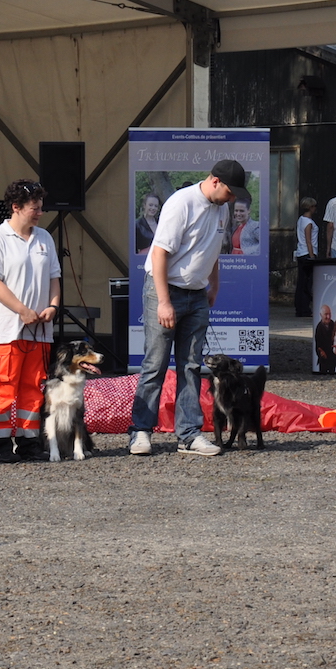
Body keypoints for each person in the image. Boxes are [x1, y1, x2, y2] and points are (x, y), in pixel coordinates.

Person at [130, 158, 246, 457]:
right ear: (215, 181)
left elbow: (212, 250)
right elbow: (159, 253)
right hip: (165, 288)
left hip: (197, 294)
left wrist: (214, 286)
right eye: (230, 192)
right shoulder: (181, 203)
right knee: (155, 363)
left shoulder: (221, 209)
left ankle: (189, 434)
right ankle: (141, 431)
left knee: (191, 365)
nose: (231, 199)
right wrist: (164, 301)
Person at [0, 179, 62, 463]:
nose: (40, 213)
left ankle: (29, 442)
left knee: (33, 386)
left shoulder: (45, 238)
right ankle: (1, 444)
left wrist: (53, 306)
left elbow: (54, 277)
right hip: (8, 330)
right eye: (34, 208)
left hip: (40, 331)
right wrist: (22, 310)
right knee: (4, 386)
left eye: (40, 207)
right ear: (16, 207)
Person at [293, 197, 319, 317]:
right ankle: (304, 308)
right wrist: (312, 255)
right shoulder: (309, 223)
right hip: (307, 254)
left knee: (301, 282)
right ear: (311, 207)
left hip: (300, 253)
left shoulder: (301, 220)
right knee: (307, 283)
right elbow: (309, 240)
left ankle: (299, 307)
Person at [313, 304, 336, 375]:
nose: (328, 317)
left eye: (329, 314)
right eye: (326, 314)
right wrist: (321, 351)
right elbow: (318, 344)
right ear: (321, 315)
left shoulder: (333, 324)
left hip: (333, 356)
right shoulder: (319, 328)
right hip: (324, 358)